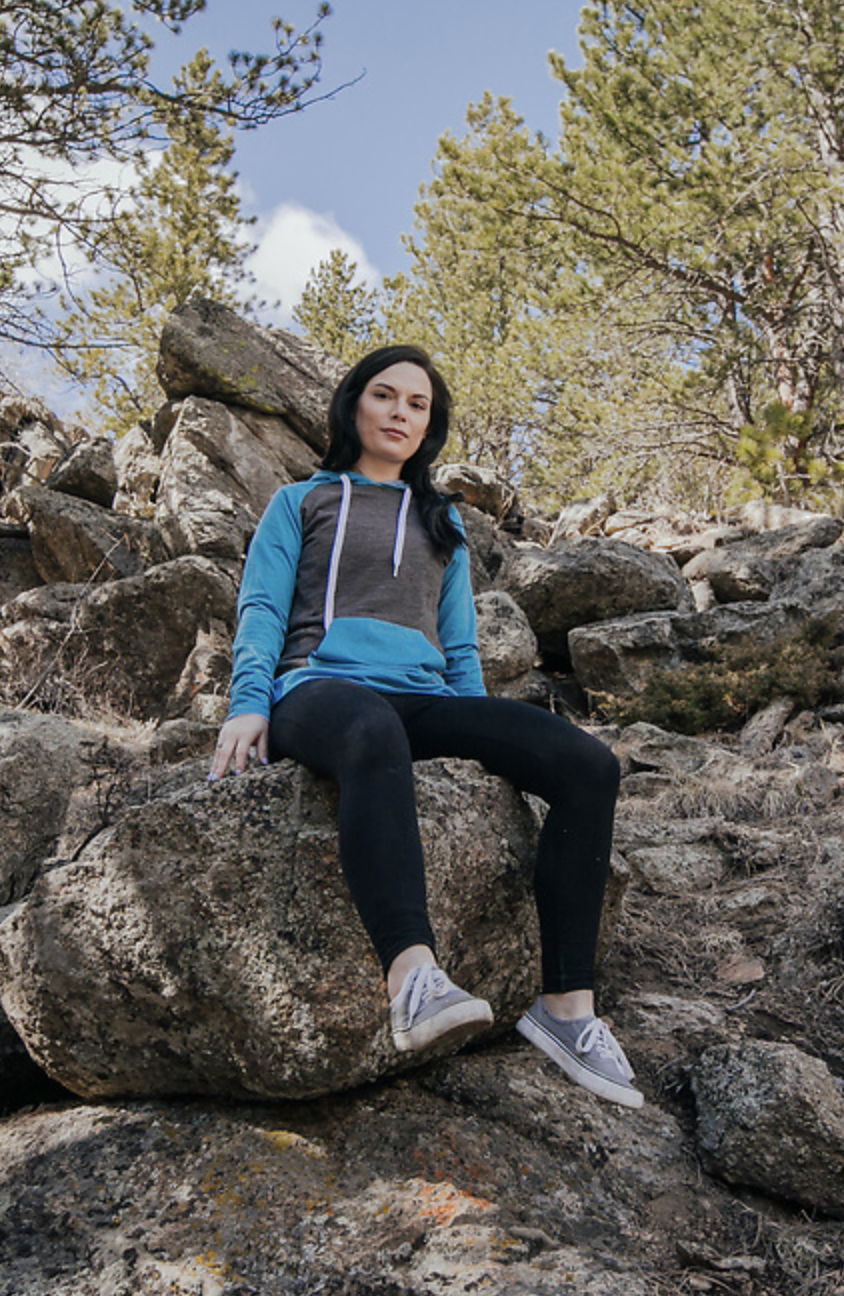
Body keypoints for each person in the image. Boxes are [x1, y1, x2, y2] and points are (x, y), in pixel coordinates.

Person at [208, 344, 641, 1109]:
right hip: (319, 690)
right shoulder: (301, 502)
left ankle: (567, 1011)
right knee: (374, 729)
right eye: (386, 395)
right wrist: (248, 701)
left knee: (588, 766)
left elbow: (460, 642)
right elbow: (263, 608)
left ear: (429, 426)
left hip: (423, 695)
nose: (401, 413)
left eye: (418, 405)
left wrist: (481, 730)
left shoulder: (441, 520)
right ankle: (413, 978)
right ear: (353, 406)